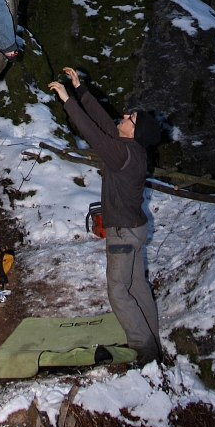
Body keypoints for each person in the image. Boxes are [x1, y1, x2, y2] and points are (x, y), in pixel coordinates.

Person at [48, 68, 162, 364]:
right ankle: (152, 340)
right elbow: (103, 123)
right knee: (137, 287)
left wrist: (66, 100)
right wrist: (79, 88)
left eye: (130, 119)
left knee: (118, 291)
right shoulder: (131, 149)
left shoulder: (121, 154)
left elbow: (91, 132)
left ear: (135, 132)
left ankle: (143, 348)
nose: (124, 116)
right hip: (135, 229)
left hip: (123, 234)